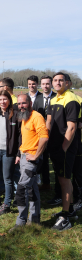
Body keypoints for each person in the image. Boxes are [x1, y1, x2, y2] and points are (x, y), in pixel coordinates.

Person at [46, 72, 81, 230]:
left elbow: (72, 127)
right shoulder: (53, 99)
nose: (57, 83)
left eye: (61, 80)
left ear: (68, 83)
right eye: (55, 80)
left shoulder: (71, 99)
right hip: (54, 147)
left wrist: (63, 148)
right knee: (62, 179)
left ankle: (65, 218)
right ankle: (71, 210)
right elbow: (48, 123)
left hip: (65, 148)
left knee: (65, 180)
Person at [10, 94, 48, 230]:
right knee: (32, 189)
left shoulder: (36, 117)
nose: (21, 106)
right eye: (19, 104)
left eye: (23, 103)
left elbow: (44, 138)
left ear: (30, 103)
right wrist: (20, 154)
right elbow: (27, 139)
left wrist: (36, 156)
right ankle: (35, 220)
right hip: (24, 157)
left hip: (32, 160)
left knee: (21, 189)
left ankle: (20, 222)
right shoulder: (25, 117)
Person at [33, 76, 56, 193]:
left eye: (47, 84)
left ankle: (59, 186)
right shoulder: (37, 99)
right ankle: (46, 183)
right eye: (43, 84)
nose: (45, 86)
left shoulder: (56, 97)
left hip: (56, 134)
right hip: (41, 135)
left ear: (51, 84)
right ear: (40, 85)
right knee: (44, 160)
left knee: (56, 161)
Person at [64, 74, 82, 211]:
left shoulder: (75, 99)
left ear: (68, 83)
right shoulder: (60, 99)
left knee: (77, 172)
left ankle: (79, 199)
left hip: (77, 141)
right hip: (69, 140)